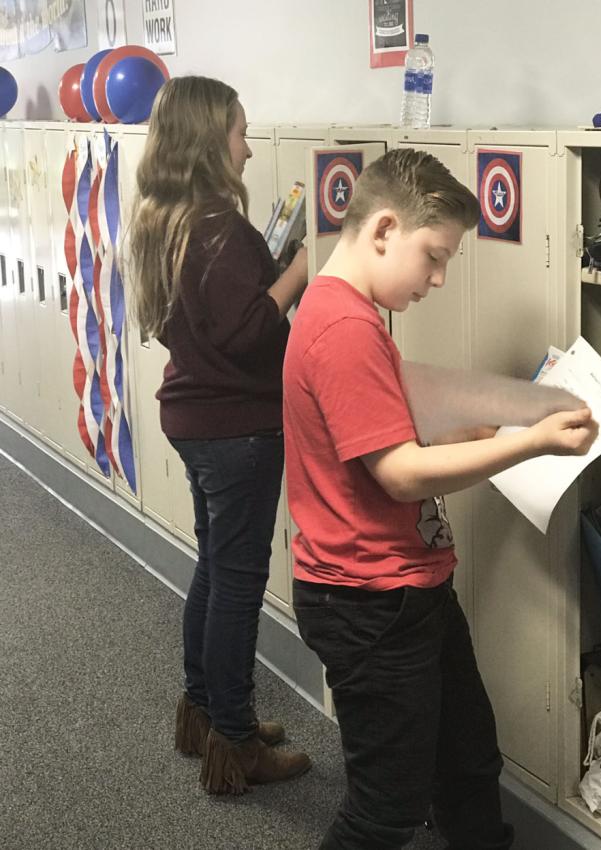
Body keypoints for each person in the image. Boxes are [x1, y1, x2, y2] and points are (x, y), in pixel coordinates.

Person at [283, 148, 599, 849]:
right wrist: (530, 442)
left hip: (408, 583)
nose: (437, 277)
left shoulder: (348, 313)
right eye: (433, 255)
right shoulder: (343, 329)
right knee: (385, 809)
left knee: (465, 762)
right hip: (369, 600)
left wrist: (482, 427)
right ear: (384, 228)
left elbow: (387, 427)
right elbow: (398, 473)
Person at [128, 76, 311, 795]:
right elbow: (245, 333)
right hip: (237, 429)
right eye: (239, 130)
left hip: (194, 420)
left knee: (214, 567)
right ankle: (235, 740)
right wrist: (301, 265)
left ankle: (203, 709)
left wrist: (268, 260)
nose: (247, 142)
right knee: (238, 584)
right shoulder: (219, 227)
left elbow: (208, 318)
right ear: (210, 141)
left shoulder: (167, 217)